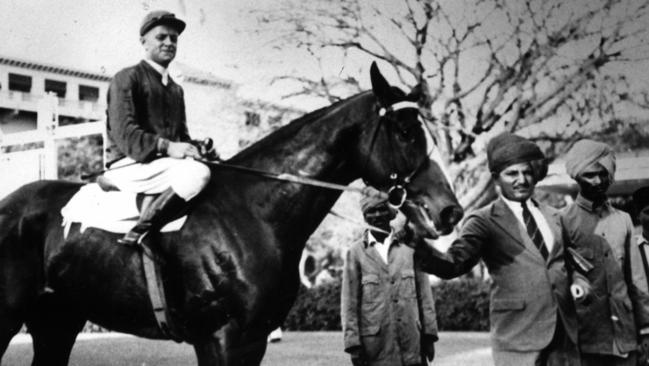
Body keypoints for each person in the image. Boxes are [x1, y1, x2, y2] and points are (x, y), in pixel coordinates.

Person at [413, 132, 582, 366]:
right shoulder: (483, 220)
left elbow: (572, 265)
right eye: (512, 173)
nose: (521, 180)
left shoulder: (555, 217)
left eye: (527, 172)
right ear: (496, 178)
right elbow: (454, 263)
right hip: (517, 339)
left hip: (565, 339)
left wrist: (582, 283)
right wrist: (418, 247)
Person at [104, 10, 215, 245]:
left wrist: (197, 148)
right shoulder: (126, 78)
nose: (169, 43)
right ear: (143, 42)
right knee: (199, 173)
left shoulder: (176, 89)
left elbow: (181, 137)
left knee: (214, 170)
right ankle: (143, 230)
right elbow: (126, 136)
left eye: (173, 39)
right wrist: (168, 147)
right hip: (130, 163)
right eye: (161, 37)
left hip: (161, 165)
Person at [561, 140, 649, 366]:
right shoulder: (562, 221)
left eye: (603, 174)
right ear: (577, 176)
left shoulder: (624, 220)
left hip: (624, 337)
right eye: (590, 175)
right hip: (584, 339)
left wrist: (646, 330)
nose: (598, 181)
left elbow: (637, 282)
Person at [341, 188, 437, 366]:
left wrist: (429, 335)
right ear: (364, 216)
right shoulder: (355, 253)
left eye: (382, 209)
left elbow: (424, 295)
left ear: (391, 213)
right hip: (375, 348)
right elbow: (349, 303)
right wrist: (353, 344)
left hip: (412, 343)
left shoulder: (410, 248)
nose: (377, 215)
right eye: (371, 211)